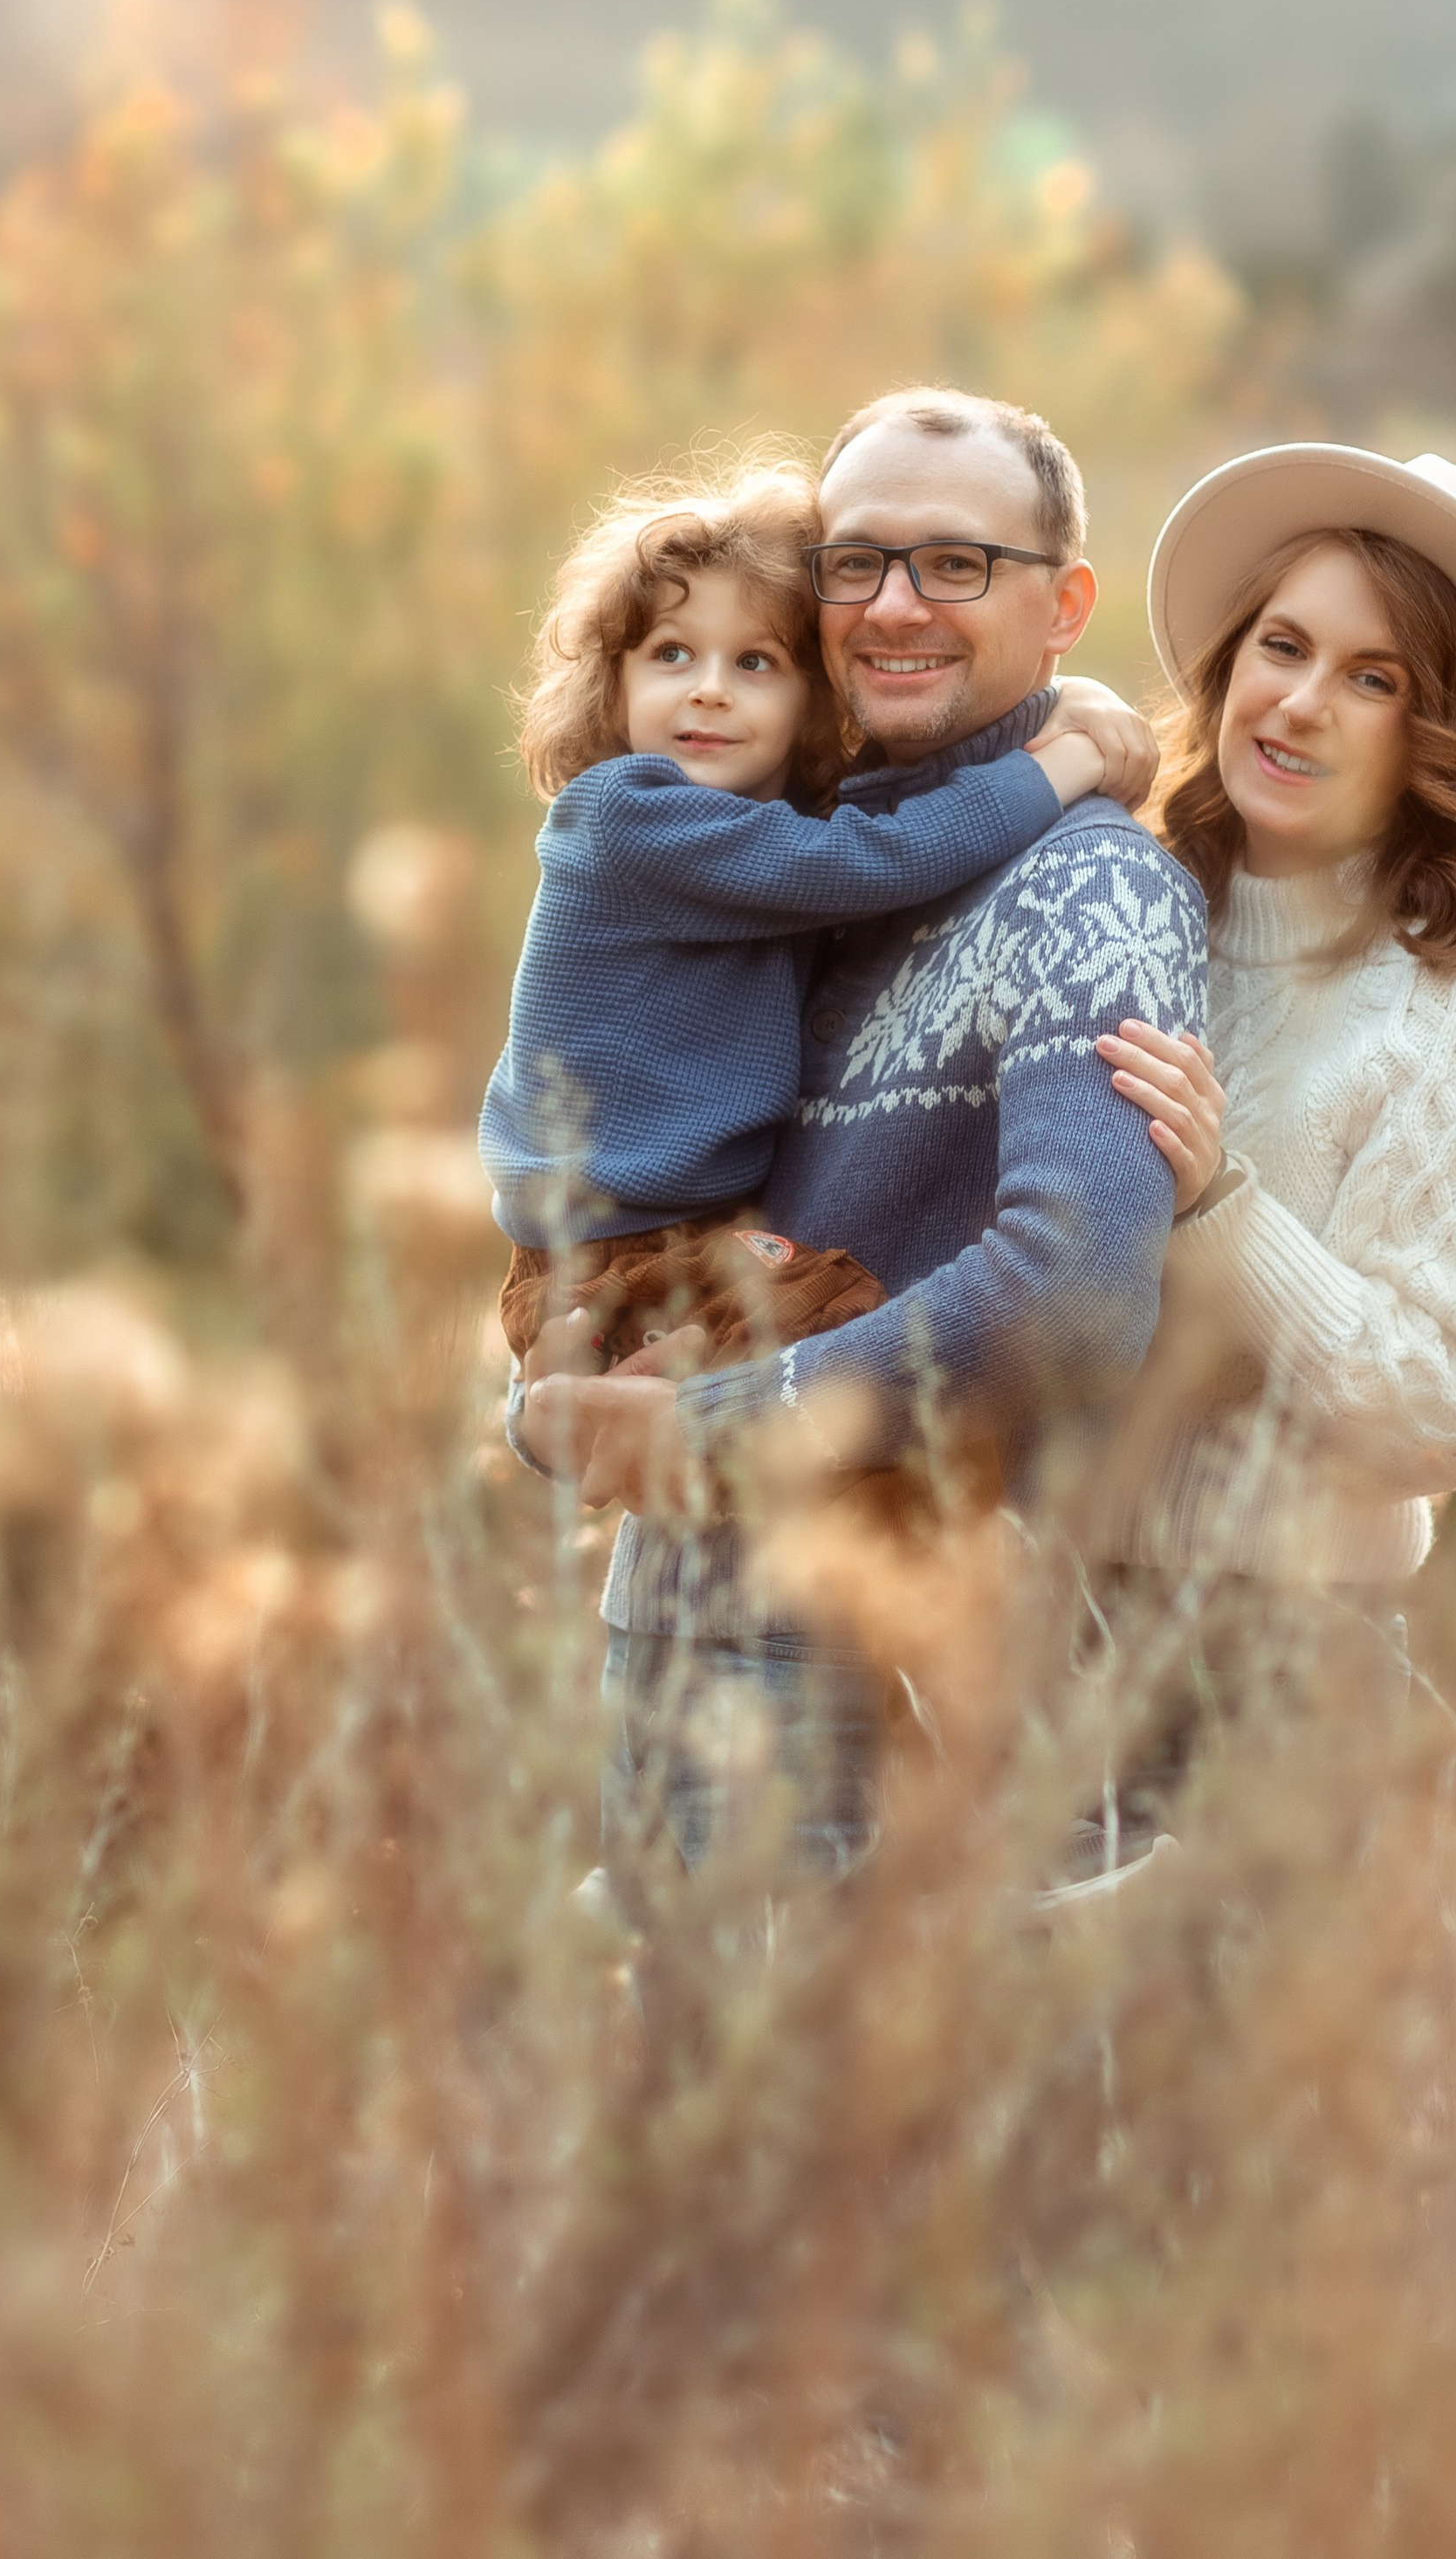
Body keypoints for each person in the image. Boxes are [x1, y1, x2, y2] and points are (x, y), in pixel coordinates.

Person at [519, 388, 1215, 1889]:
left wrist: (712, 1420)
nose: (896, 605)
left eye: (957, 563)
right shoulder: (792, 860)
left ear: (1064, 605)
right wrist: (558, 1388)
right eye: (856, 562)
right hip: (679, 1628)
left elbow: (1075, 1297)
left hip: (863, 1683)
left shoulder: (1087, 889)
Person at [1083, 444, 1456, 1857]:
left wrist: (1220, 1206)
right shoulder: (1114, 912)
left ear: (1442, 737)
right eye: (1283, 646)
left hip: (1279, 1677)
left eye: (1375, 679)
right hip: (1027, 1636)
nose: (1302, 702)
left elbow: (1447, 1409)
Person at [481, 454, 1111, 1378]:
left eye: (755, 662)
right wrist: (1067, 762)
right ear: (612, 685)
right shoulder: (627, 816)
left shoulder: (766, 841)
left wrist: (1068, 696)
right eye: (670, 653)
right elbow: (888, 853)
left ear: (812, 700)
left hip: (685, 1237)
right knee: (850, 1338)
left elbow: (891, 813)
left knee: (825, 1356)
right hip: (615, 1253)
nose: (708, 688)